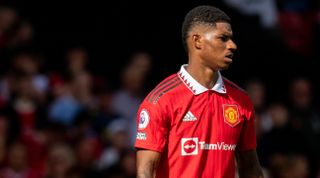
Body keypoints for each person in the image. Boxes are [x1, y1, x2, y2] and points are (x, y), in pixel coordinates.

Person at [135, 5, 263, 178]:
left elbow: (251, 167)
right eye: (223, 38)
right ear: (197, 41)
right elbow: (145, 171)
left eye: (231, 38)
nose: (233, 45)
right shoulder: (160, 100)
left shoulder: (241, 100)